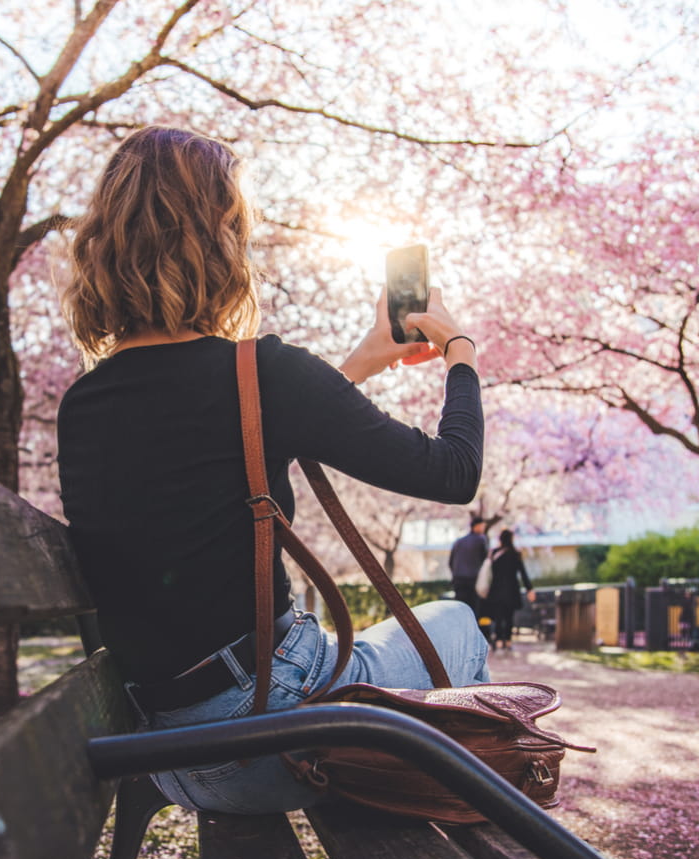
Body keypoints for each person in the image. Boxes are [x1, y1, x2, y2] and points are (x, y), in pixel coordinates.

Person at [56, 126, 489, 816]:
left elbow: (219, 449)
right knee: (458, 622)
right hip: (269, 733)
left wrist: (358, 364)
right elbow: (454, 471)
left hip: (168, 759)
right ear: (220, 233)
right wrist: (461, 351)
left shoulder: (85, 402)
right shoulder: (263, 371)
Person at [483, 530, 533, 651]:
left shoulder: (494, 553)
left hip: (496, 589)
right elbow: (523, 573)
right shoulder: (515, 554)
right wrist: (529, 589)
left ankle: (499, 640)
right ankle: (508, 641)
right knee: (509, 616)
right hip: (511, 590)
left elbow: (488, 572)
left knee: (499, 616)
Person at [448, 517, 489, 619]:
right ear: (477, 526)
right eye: (483, 526)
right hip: (473, 580)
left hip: (458, 579)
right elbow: (485, 560)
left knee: (459, 608)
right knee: (473, 610)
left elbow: (450, 562)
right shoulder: (481, 539)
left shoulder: (458, 541)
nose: (483, 529)